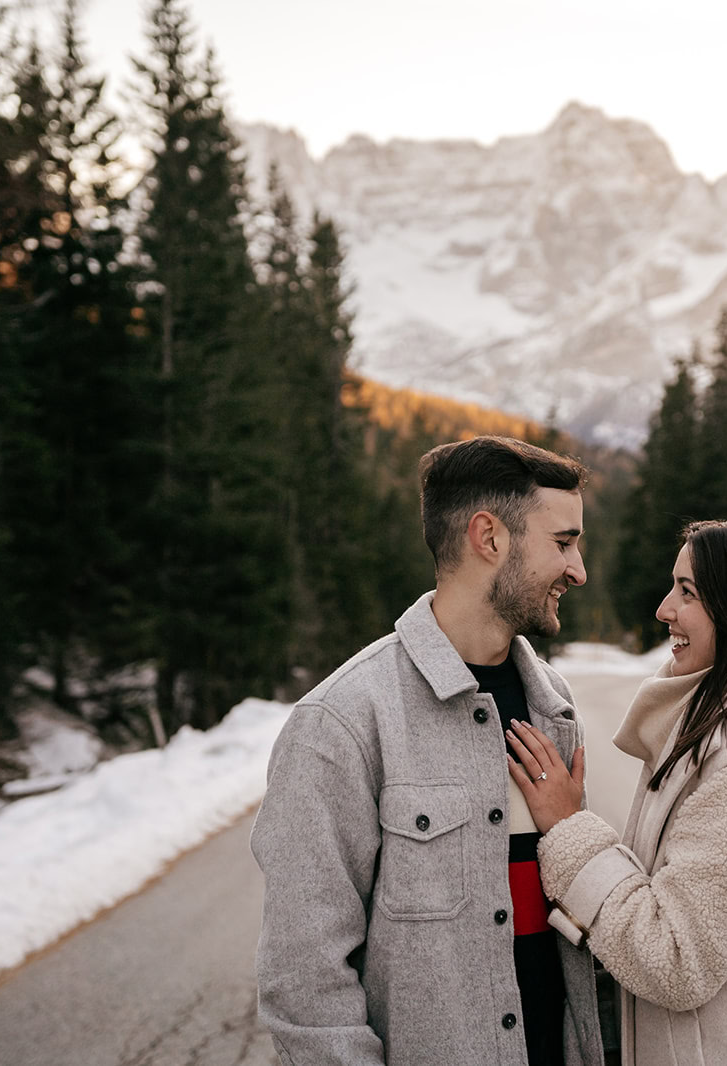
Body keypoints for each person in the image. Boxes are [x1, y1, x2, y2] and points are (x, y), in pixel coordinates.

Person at [251, 436, 607, 1066]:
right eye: (564, 542)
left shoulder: (554, 705)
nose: (578, 570)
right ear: (489, 537)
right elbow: (305, 982)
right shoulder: (342, 722)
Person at [505, 520, 727, 1066]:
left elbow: (677, 957)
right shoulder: (720, 731)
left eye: (687, 592)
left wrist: (569, 828)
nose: (665, 610)